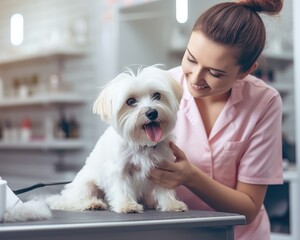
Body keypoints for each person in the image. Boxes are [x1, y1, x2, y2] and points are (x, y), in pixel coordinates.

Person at [149, 0, 284, 239]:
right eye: (191, 58)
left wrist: (190, 177)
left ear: (245, 71)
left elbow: (249, 208)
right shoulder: (159, 89)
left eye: (215, 73)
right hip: (172, 233)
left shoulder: (264, 102)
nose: (196, 79)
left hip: (240, 235)